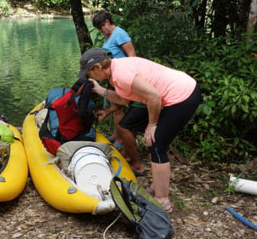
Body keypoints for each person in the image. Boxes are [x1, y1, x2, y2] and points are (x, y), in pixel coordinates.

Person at [78, 48, 201, 212]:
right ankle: (157, 187)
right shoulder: (115, 74)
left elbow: (153, 96)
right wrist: (100, 90)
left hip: (182, 95)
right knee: (155, 143)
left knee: (156, 144)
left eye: (89, 74)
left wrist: (152, 125)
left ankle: (162, 200)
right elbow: (123, 99)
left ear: (98, 68)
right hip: (172, 94)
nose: (89, 77)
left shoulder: (122, 74)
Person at [92, 10, 146, 173]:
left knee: (119, 109)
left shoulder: (119, 33)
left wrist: (128, 76)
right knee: (117, 108)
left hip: (123, 76)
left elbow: (132, 56)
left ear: (107, 22)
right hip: (113, 77)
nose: (101, 30)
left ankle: (121, 140)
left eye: (101, 27)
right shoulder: (108, 36)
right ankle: (117, 137)